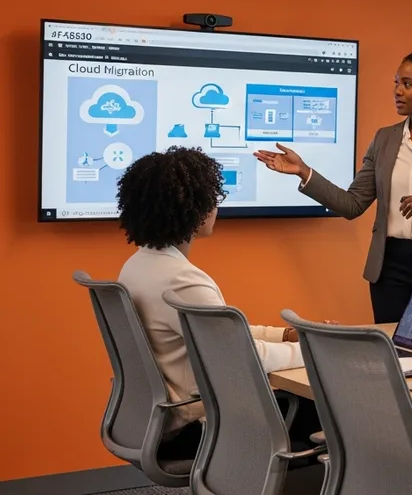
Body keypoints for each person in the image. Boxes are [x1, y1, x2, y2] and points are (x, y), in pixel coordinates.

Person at [254, 50, 412, 324]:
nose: (397, 91)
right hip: (389, 266)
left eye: (407, 83)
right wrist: (304, 171)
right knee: (394, 353)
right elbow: (352, 204)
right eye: (396, 83)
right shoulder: (384, 139)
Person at [114, 147, 323, 460]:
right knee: (329, 407)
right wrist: (313, 349)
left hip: (160, 420)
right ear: (192, 208)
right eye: (212, 198)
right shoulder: (183, 281)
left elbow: (221, 333)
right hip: (202, 426)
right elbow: (240, 357)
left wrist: (285, 336)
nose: (216, 206)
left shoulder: (139, 265)